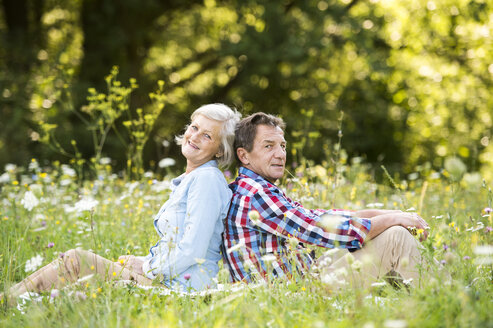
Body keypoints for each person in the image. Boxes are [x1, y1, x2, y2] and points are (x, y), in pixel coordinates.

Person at [3, 104, 241, 302]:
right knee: (77, 270)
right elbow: (177, 246)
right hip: (167, 279)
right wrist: (143, 261)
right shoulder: (192, 179)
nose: (195, 136)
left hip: (182, 290)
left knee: (77, 260)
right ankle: (11, 302)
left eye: (207, 135)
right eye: (194, 127)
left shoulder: (207, 180)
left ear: (220, 150)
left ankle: (7, 303)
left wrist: (147, 269)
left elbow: (193, 250)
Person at [222, 112, 430, 289]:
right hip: (291, 294)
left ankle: (419, 294)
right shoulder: (256, 193)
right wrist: (393, 221)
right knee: (395, 237)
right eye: (269, 146)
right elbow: (321, 229)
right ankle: (442, 296)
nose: (280, 154)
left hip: (302, 277)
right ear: (244, 155)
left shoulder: (253, 187)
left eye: (283, 146)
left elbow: (320, 217)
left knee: (387, 233)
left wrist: (395, 215)